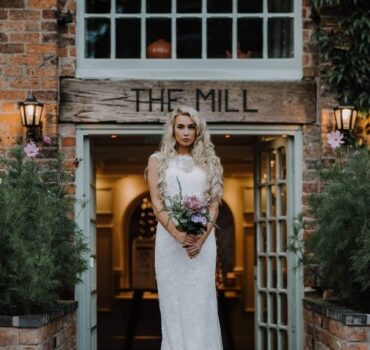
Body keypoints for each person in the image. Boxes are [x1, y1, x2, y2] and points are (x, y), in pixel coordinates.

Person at [146, 106, 224, 350]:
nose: (186, 132)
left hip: (202, 242)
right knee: (173, 305)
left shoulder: (210, 161)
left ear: (198, 130)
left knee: (202, 304)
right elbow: (157, 203)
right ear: (172, 129)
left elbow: (214, 205)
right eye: (181, 126)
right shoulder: (157, 160)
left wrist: (200, 239)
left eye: (191, 127)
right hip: (170, 243)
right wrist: (179, 235)